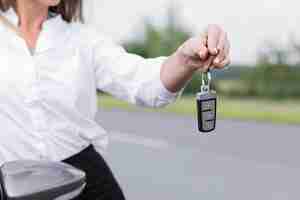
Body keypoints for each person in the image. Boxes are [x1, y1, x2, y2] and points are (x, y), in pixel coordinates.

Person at [0, 0, 230, 199]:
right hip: (9, 181)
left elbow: (144, 82)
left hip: (82, 176)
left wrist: (184, 59)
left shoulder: (82, 39)